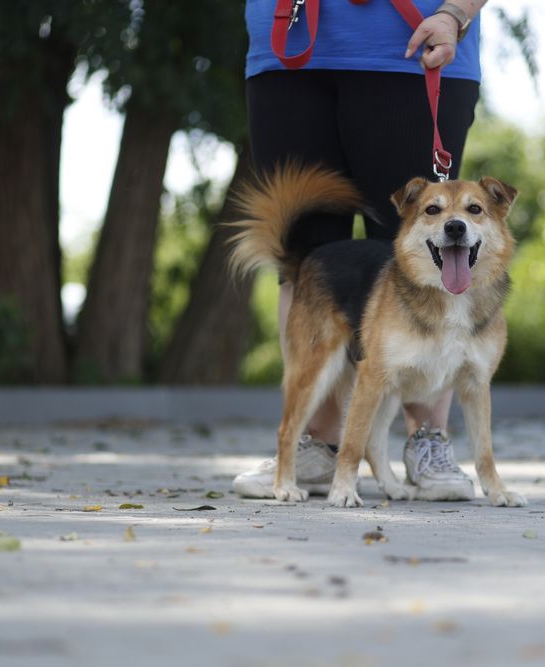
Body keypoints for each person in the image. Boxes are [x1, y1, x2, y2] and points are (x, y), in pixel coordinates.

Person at [233, 0, 489, 501]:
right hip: (288, 49)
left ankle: (429, 443)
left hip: (413, 41)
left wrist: (457, 12)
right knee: (303, 260)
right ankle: (316, 446)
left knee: (424, 257)